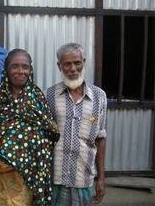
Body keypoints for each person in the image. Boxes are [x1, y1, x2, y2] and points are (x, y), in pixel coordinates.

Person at [0, 49, 60, 206]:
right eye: (15, 66)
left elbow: (46, 144)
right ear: (6, 69)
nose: (20, 71)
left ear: (30, 70)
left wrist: (40, 187)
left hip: (30, 182)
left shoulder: (38, 100)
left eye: (25, 67)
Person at [45, 43, 107, 206]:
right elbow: (44, 137)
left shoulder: (99, 97)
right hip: (55, 177)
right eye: (67, 64)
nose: (73, 68)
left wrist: (101, 177)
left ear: (83, 63)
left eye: (77, 63)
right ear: (60, 66)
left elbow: (100, 137)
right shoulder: (50, 95)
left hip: (83, 176)